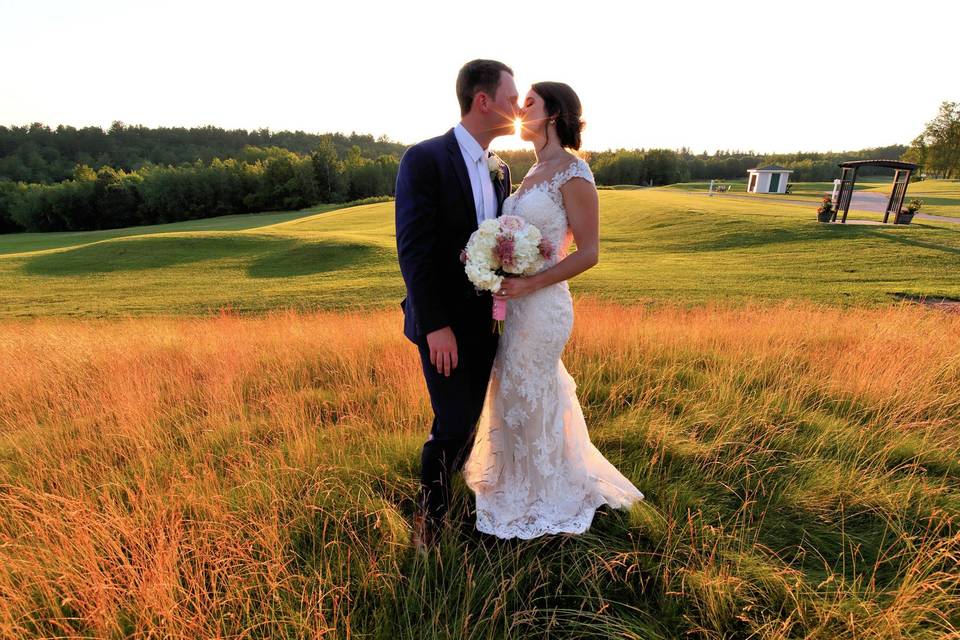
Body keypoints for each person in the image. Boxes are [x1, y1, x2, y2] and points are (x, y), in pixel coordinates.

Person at [461, 81, 645, 540]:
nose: (519, 110)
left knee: (533, 388)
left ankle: (546, 489)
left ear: (553, 114)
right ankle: (515, 477)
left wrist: (531, 283)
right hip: (517, 304)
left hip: (543, 306)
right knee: (513, 390)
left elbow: (589, 252)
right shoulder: (530, 173)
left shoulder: (573, 173)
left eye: (529, 104)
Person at [394, 59, 518, 553]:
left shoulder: (500, 168)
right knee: (451, 424)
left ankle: (456, 505)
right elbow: (415, 250)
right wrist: (436, 326)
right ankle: (427, 527)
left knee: (468, 421)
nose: (516, 106)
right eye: (511, 97)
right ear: (483, 100)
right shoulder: (424, 159)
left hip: (488, 323)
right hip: (445, 326)